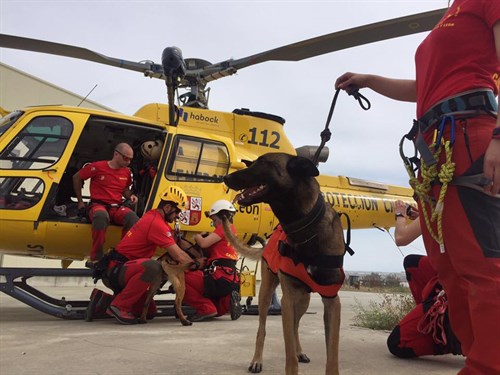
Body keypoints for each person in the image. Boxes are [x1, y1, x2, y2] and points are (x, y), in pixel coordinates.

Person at [336, 3, 500, 372]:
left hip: (467, 134)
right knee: (451, 271)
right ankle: (479, 359)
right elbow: (425, 87)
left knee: (482, 266)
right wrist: (370, 80)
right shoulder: (453, 11)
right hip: (434, 146)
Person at [86, 186, 195, 325]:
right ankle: (119, 306)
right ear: (168, 207)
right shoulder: (156, 224)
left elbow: (176, 242)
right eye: (177, 211)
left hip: (121, 270)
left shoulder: (154, 217)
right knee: (153, 267)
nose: (178, 216)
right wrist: (197, 264)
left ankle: (101, 300)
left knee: (149, 312)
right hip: (119, 270)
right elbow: (179, 255)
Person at [387, 200, 462, 358]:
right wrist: (423, 217)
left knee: (397, 343)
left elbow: (401, 238)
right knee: (413, 263)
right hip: (458, 273)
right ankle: (428, 315)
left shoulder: (439, 205)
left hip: (459, 285)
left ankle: (453, 337)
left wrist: (400, 214)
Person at [73, 143, 139, 263]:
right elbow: (77, 177)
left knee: (132, 218)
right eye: (126, 158)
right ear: (116, 154)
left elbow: (124, 190)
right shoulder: (97, 167)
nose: (128, 162)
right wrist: (80, 201)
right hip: (98, 205)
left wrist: (131, 196)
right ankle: (96, 257)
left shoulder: (126, 172)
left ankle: (122, 254)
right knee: (101, 216)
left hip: (116, 207)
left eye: (130, 159)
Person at [183, 200, 242, 322]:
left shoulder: (224, 227)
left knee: (180, 278)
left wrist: (197, 236)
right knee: (218, 310)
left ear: (223, 217)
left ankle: (206, 308)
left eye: (214, 220)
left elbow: (203, 244)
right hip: (231, 278)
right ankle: (226, 302)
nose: (214, 224)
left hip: (217, 276)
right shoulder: (232, 231)